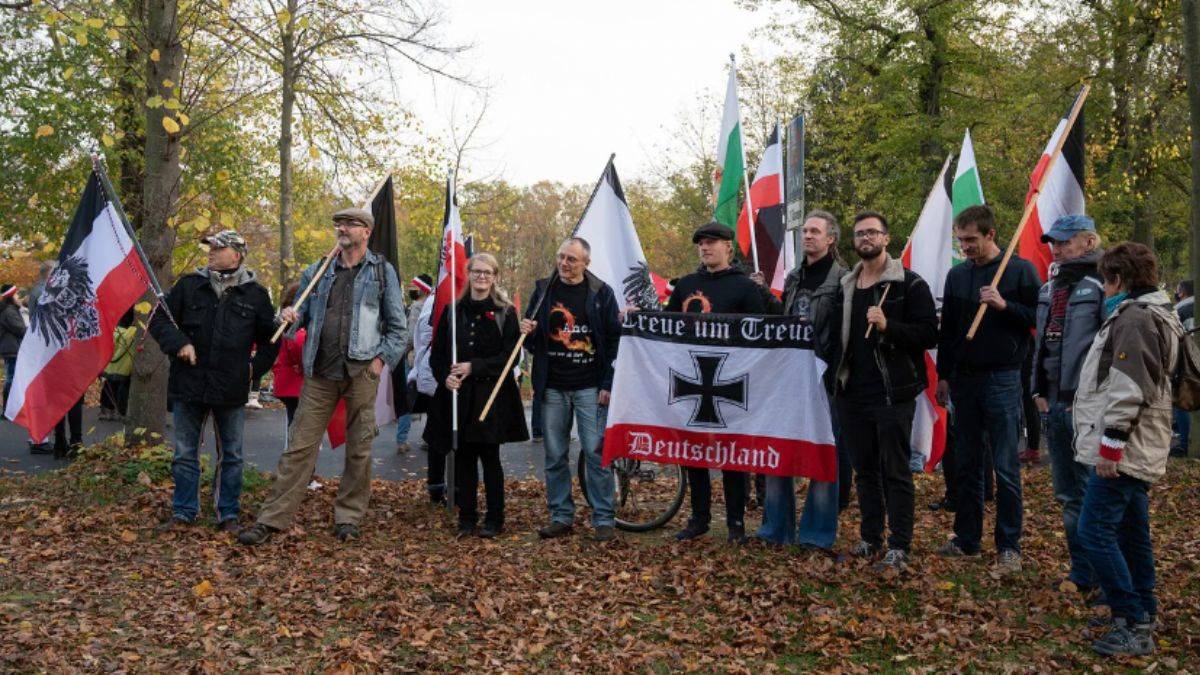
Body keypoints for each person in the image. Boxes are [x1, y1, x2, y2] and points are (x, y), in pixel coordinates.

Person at [239, 208, 406, 545]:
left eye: (349, 224)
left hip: (361, 372)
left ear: (366, 232)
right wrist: (290, 316)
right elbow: (300, 317)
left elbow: (398, 330)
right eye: (338, 224)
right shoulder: (318, 270)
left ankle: (348, 517)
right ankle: (272, 519)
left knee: (359, 449)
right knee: (299, 447)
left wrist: (380, 361)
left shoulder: (381, 273)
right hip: (319, 374)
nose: (341, 229)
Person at [1073, 242, 1178, 656]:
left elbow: (1128, 388)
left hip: (1127, 449)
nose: (1104, 287)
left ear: (1117, 278)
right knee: (1131, 533)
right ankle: (1141, 611)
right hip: (1139, 445)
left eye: (1106, 279)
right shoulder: (1151, 312)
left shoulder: (1134, 318)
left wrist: (1110, 449)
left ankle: (1132, 620)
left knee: (1093, 532)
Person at [148, 230, 280, 532]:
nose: (210, 251)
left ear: (236, 254)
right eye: (210, 247)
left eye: (218, 248)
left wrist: (252, 369)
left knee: (232, 455)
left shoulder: (256, 295)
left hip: (230, 388)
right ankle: (183, 512)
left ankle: (227, 514)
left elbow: (271, 341)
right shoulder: (188, 286)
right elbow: (159, 319)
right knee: (184, 452)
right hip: (189, 384)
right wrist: (179, 342)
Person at [936, 205, 1041, 573]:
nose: (965, 246)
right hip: (963, 379)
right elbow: (947, 329)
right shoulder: (957, 276)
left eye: (971, 240)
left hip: (1002, 378)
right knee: (967, 463)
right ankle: (967, 538)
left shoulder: (1020, 270)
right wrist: (944, 374)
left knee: (1005, 465)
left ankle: (1009, 544)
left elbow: (1037, 319)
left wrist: (1004, 305)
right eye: (961, 240)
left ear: (990, 235)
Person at [836, 212, 937, 570]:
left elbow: (929, 333)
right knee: (864, 471)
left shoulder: (908, 284)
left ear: (886, 238)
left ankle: (899, 544)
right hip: (853, 392)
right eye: (860, 233)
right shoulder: (847, 284)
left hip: (893, 392)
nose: (865, 238)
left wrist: (888, 326)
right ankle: (870, 537)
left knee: (894, 470)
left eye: (872, 232)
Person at [664, 222, 767, 543]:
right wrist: (636, 319)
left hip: (732, 382)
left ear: (728, 248)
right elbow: (664, 328)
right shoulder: (686, 286)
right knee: (693, 452)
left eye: (712, 242)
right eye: (701, 244)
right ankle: (699, 518)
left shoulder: (745, 287)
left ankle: (736, 522)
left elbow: (764, 333)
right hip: (692, 380)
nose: (705, 248)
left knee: (732, 454)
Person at [756, 210, 846, 550]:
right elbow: (785, 322)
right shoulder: (794, 278)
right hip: (788, 379)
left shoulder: (843, 279)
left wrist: (835, 376)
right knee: (778, 451)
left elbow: (841, 333)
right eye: (805, 230)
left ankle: (816, 535)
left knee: (823, 458)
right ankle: (775, 529)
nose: (807, 236)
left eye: (815, 231)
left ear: (830, 238)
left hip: (824, 381)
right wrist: (766, 294)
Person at [521, 237, 621, 542]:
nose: (564, 264)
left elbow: (615, 341)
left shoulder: (601, 293)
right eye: (561, 257)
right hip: (552, 386)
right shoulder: (543, 291)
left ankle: (603, 517)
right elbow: (530, 342)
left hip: (590, 387)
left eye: (572, 259)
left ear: (585, 263)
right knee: (555, 455)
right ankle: (561, 516)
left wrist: (608, 384)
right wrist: (527, 332)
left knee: (595, 453)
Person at [426, 253, 528, 537]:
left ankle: (495, 518)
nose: (482, 277)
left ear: (495, 277)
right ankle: (467, 518)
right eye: (477, 272)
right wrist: (444, 376)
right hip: (460, 396)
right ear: (468, 274)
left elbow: (512, 355)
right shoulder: (453, 311)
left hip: (491, 396)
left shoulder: (505, 312)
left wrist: (475, 366)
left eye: (487, 272)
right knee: (464, 459)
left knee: (490, 459)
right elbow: (438, 355)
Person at [1029, 214, 1104, 602]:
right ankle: (1083, 570)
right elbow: (1041, 345)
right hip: (1054, 402)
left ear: (1088, 243)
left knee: (1095, 490)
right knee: (1067, 493)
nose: (1056, 248)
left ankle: (1106, 572)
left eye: (1064, 241)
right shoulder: (1050, 287)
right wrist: (1036, 389)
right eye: (1053, 242)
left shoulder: (1103, 285)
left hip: (1087, 405)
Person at [396, 274, 431, 454]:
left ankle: (401, 439)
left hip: (413, 358)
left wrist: (403, 350)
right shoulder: (435, 305)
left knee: (408, 398)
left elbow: (410, 336)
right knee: (431, 396)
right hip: (429, 359)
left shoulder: (417, 308)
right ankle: (428, 436)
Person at [271, 281, 305, 426]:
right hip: (296, 382)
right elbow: (297, 345)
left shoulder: (282, 321)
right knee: (299, 426)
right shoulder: (295, 322)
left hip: (286, 380)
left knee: (293, 422)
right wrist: (303, 364)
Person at [100, 310, 136, 421]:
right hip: (125, 367)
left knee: (109, 386)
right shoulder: (133, 332)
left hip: (111, 366)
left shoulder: (114, 331)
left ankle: (106, 411)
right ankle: (120, 411)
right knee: (123, 389)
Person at [1172, 279, 1194, 456]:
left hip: (1187, 364)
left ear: (1182, 293)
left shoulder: (1179, 310)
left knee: (1182, 402)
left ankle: (1185, 444)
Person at [0, 284, 26, 409]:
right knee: (11, 378)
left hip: (11, 347)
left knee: (13, 377)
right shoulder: (9, 311)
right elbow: (21, 330)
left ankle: (10, 407)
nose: (19, 297)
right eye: (16, 294)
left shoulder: (10, 309)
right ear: (10, 296)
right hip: (12, 348)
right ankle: (7, 408)